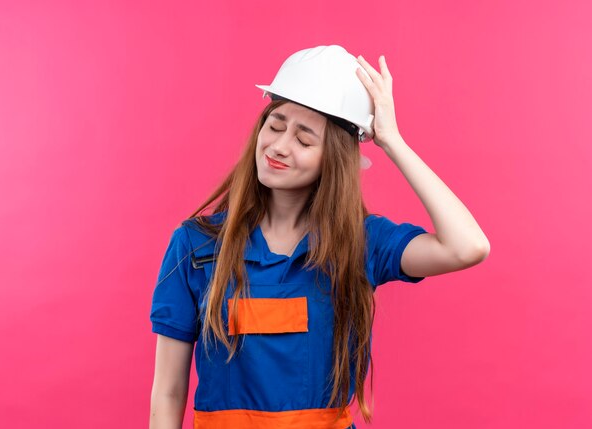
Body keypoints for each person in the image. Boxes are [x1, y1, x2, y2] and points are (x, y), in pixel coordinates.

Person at [149, 45, 490, 429]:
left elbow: (467, 246)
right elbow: (169, 390)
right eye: (275, 126)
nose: (278, 146)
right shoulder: (196, 246)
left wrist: (392, 141)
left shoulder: (361, 242)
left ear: (335, 159)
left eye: (304, 140)